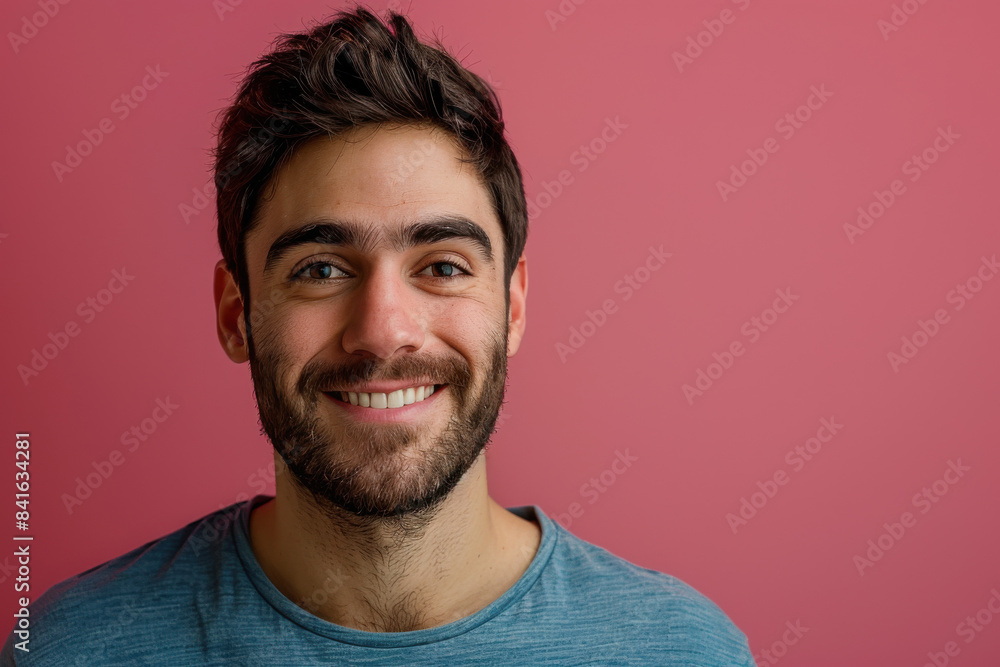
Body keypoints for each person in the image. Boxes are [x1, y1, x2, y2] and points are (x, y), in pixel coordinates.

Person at [2, 7, 755, 665]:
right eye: (323, 267)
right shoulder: (67, 648)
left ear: (514, 305)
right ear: (236, 313)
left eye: (443, 266)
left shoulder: (685, 648)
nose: (383, 330)